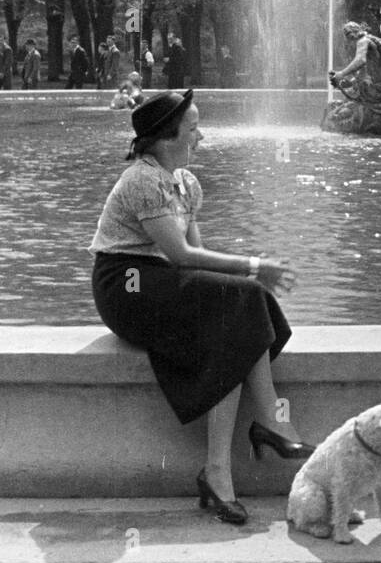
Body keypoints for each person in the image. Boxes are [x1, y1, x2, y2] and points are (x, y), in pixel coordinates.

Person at [89, 89, 315, 526]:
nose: (201, 136)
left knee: (241, 311)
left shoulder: (186, 183)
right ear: (164, 137)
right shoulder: (142, 179)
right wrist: (253, 267)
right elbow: (181, 256)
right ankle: (268, 421)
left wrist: (243, 278)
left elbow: (198, 255)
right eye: (192, 128)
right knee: (245, 294)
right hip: (126, 285)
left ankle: (218, 474)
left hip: (163, 281)